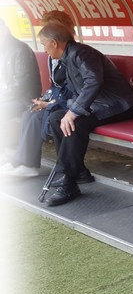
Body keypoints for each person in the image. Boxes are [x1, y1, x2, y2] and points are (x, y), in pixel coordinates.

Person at [38, 22, 133, 207]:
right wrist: (68, 110)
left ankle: (69, 182)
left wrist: (73, 112)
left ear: (54, 43)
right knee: (56, 118)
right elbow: (78, 91)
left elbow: (93, 82)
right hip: (98, 105)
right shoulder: (68, 56)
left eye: (44, 45)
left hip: (119, 105)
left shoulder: (82, 53)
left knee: (76, 124)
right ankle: (79, 172)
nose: (44, 50)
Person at [0, 10, 74, 178]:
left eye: (48, 30)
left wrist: (50, 103)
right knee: (30, 114)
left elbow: (19, 86)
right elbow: (56, 86)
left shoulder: (73, 54)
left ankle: (18, 162)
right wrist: (47, 100)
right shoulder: (52, 55)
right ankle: (27, 164)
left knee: (37, 115)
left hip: (27, 98)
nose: (43, 42)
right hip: (55, 99)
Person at [0, 17, 42, 164]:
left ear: (2, 31)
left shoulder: (20, 49)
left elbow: (19, 85)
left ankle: (1, 158)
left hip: (23, 98)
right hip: (7, 96)